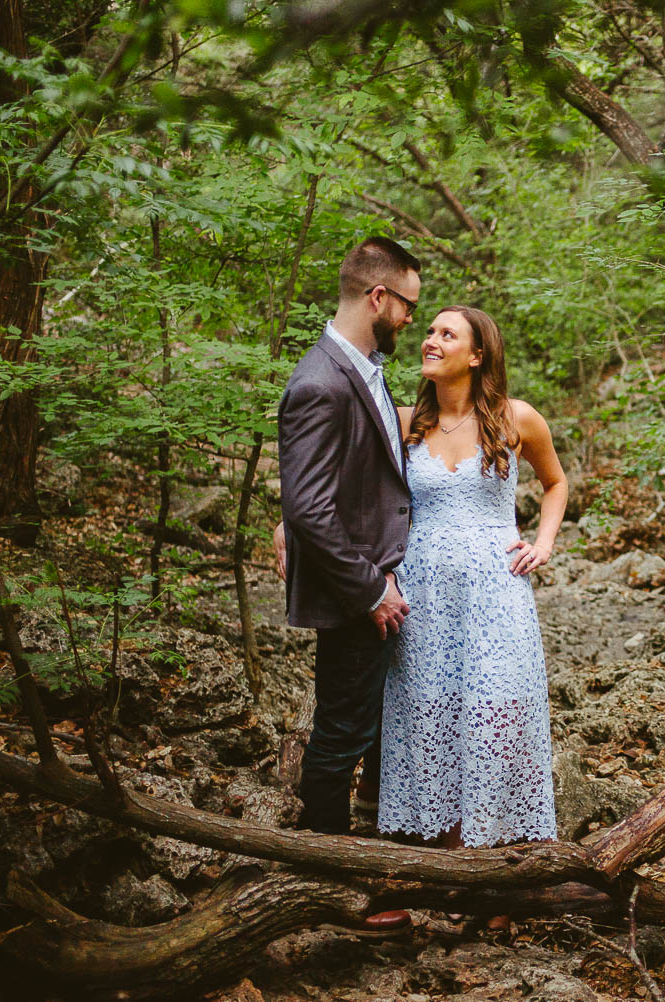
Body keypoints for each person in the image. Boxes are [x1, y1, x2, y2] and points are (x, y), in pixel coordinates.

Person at [377, 305, 567, 850]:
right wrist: (288, 522)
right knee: (430, 723)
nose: (430, 341)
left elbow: (556, 483)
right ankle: (446, 859)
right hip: (424, 593)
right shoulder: (405, 420)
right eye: (430, 332)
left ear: (476, 355)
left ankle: (500, 859)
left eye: (446, 334)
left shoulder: (516, 418)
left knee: (497, 717)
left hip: (497, 589)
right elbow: (347, 477)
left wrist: (544, 542)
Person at [276, 236, 419, 864]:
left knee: (362, 722)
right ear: (377, 296)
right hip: (357, 590)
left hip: (373, 577)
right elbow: (310, 506)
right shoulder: (321, 382)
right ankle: (326, 866)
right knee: (342, 730)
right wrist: (371, 589)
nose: (412, 320)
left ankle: (351, 851)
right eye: (408, 306)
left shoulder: (363, 370)